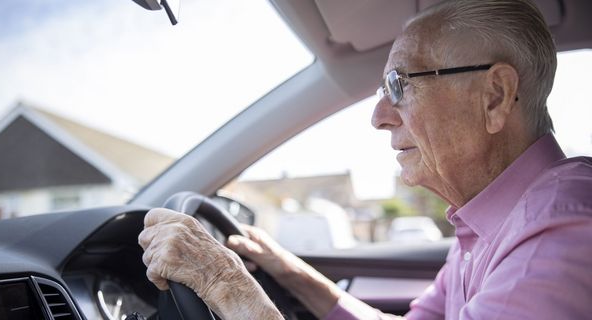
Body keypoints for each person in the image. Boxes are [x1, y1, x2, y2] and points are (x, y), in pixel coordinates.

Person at [137, 0, 592, 319]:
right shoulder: (491, 224)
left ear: (494, 97)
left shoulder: (560, 233)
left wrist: (225, 284)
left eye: (400, 84)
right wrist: (286, 267)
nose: (379, 117)